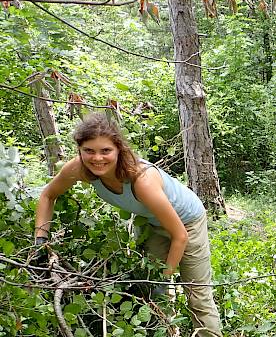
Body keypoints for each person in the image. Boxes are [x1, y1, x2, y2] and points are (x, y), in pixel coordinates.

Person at [34, 112, 222, 337]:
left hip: (187, 222)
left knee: (197, 294)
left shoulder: (141, 180)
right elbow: (47, 196)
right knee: (152, 294)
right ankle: (167, 331)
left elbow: (179, 235)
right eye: (89, 151)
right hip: (150, 222)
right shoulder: (78, 169)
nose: (97, 158)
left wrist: (165, 276)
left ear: (119, 150)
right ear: (80, 150)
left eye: (106, 151)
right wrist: (40, 240)